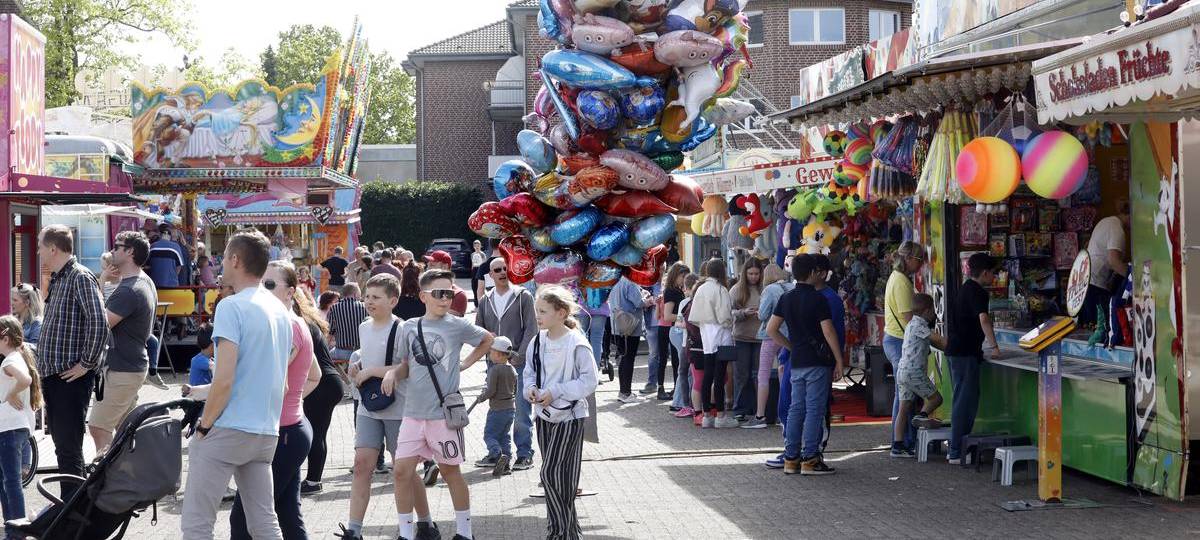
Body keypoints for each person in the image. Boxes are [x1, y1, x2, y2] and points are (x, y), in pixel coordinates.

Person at [180, 229, 293, 539]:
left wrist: (203, 426)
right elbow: (281, 380)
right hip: (265, 428)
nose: (219, 265)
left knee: (197, 524)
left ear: (235, 259)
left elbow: (224, 378)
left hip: (229, 427)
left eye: (224, 258)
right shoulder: (280, 311)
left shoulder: (232, 306)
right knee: (265, 522)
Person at [383, 268, 493, 540]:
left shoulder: (457, 325)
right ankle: (406, 534)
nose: (446, 299)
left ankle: (464, 533)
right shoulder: (408, 327)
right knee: (401, 471)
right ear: (423, 296)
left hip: (443, 415)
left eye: (450, 293)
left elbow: (487, 339)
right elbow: (405, 364)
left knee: (449, 472)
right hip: (412, 413)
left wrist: (466, 363)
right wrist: (392, 373)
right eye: (439, 293)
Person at [228, 261, 322, 539]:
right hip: (289, 430)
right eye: (260, 284)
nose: (263, 290)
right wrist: (292, 401)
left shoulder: (288, 326)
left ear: (290, 292)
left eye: (269, 285)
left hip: (283, 435)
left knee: (244, 518)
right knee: (287, 514)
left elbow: (269, 378)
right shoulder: (291, 323)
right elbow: (314, 375)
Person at [336, 274, 435, 540]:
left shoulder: (403, 328)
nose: (369, 301)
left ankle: (425, 523)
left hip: (399, 407)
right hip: (369, 406)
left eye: (375, 297)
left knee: (403, 470)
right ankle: (354, 531)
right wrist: (357, 366)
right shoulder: (363, 327)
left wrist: (371, 371)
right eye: (367, 296)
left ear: (393, 300)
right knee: (361, 465)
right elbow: (364, 357)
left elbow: (409, 368)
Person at [35, 225, 108, 498]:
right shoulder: (61, 277)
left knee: (69, 449)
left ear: (53, 248)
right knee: (64, 448)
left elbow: (99, 325)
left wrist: (86, 364)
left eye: (41, 246)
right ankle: (71, 513)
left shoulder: (79, 277)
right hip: (58, 377)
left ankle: (73, 515)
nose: (39, 251)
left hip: (69, 379)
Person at [523, 285, 598, 540]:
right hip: (544, 417)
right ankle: (570, 533)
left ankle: (558, 533)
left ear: (561, 312)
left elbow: (589, 382)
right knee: (561, 481)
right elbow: (529, 373)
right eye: (537, 310)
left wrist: (555, 391)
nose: (538, 315)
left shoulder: (577, 342)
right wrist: (531, 389)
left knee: (550, 473)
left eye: (543, 311)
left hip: (571, 417)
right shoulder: (537, 341)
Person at [766, 255, 845, 475]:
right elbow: (828, 331)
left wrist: (790, 346)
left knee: (795, 409)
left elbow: (772, 329)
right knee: (814, 410)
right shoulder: (819, 299)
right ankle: (810, 458)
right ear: (812, 273)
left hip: (797, 360)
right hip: (817, 362)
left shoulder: (786, 298)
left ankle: (791, 458)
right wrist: (839, 359)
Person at [88, 231, 157, 453]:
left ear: (130, 252)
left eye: (117, 246)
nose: (112, 250)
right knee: (126, 429)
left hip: (122, 369)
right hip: (129, 367)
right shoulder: (143, 281)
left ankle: (109, 481)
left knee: (99, 427)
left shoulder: (129, 290)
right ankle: (134, 478)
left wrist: (100, 282)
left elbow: (99, 324)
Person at [474, 256, 538, 472]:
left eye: (505, 268)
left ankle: (524, 453)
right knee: (497, 409)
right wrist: (485, 337)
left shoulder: (523, 296)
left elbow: (532, 328)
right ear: (490, 275)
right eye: (497, 270)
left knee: (520, 410)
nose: (502, 272)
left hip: (517, 364)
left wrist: (519, 355)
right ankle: (499, 453)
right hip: (493, 364)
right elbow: (478, 330)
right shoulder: (485, 300)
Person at [945, 253, 999, 465]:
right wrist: (994, 346)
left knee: (963, 400)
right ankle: (957, 450)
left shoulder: (965, 288)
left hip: (958, 351)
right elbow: (984, 319)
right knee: (964, 402)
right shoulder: (977, 292)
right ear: (985, 273)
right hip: (964, 353)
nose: (994, 277)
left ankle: (959, 447)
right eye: (993, 273)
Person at [300, 287, 348, 496]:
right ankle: (313, 479)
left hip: (321, 383)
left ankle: (313, 481)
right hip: (330, 382)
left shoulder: (299, 325)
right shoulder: (312, 323)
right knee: (319, 433)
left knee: (316, 433)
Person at [893, 293, 948, 458]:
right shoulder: (920, 325)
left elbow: (933, 343)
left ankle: (897, 445)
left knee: (903, 409)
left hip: (902, 372)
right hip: (913, 372)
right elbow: (938, 340)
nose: (935, 314)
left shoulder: (911, 324)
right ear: (927, 310)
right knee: (936, 399)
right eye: (933, 310)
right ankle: (921, 416)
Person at [0, 315, 40, 539]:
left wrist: (11, 393)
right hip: (13, 428)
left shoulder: (10, 360)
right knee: (6, 481)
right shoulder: (16, 357)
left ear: (4, 337)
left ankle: (17, 531)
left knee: (11, 481)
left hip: (9, 429)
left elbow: (25, 379)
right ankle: (13, 527)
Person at [883, 241, 924, 452]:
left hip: (896, 339)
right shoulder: (900, 281)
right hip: (899, 341)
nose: (921, 264)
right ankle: (900, 442)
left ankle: (903, 441)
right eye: (920, 260)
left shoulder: (899, 279)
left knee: (905, 394)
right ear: (908, 259)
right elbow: (909, 318)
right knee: (905, 395)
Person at [690, 259, 737, 428]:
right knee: (719, 376)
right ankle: (721, 415)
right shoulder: (721, 289)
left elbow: (694, 316)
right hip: (721, 335)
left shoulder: (701, 289)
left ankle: (707, 415)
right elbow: (725, 316)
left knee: (707, 376)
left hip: (706, 336)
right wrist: (732, 319)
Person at [747, 263, 791, 430]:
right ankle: (783, 415)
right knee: (784, 373)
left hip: (770, 335)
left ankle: (760, 416)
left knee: (763, 375)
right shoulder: (791, 286)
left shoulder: (770, 290)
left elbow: (763, 314)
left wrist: (758, 312)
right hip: (789, 336)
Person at [474, 336, 518, 476]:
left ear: (498, 354)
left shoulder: (495, 370)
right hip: (510, 408)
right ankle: (506, 461)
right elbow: (515, 390)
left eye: (491, 352)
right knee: (505, 436)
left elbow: (491, 390)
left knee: (490, 435)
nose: (489, 355)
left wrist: (482, 397)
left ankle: (497, 454)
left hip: (497, 409)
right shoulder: (512, 370)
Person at [1080, 203, 1130, 327]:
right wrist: (1133, 277)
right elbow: (1114, 262)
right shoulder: (1116, 228)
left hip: (1086, 281)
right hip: (1095, 285)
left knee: (1090, 325)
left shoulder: (1106, 221)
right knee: (1100, 327)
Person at [730, 259, 763, 422]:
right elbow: (729, 313)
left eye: (756, 274)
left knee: (758, 374)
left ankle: (759, 407)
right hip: (741, 337)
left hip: (759, 338)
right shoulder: (736, 290)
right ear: (745, 273)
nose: (754, 277)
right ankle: (741, 408)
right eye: (750, 273)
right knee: (741, 374)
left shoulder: (764, 289)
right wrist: (743, 312)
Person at [608, 275, 650, 404]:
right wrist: (647, 300)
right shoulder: (630, 281)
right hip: (630, 326)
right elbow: (638, 302)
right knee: (628, 359)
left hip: (618, 324)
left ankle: (623, 391)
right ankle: (626, 392)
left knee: (623, 357)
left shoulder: (615, 279)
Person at [671, 273, 701, 418]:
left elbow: (678, 323)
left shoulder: (686, 303)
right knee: (690, 374)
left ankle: (688, 405)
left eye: (685, 288)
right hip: (694, 343)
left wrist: (685, 325)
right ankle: (692, 405)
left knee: (685, 373)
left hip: (687, 344)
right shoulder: (686, 303)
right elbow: (678, 322)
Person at [658, 263, 688, 404]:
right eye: (682, 276)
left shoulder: (679, 291)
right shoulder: (671, 291)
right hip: (675, 330)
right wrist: (685, 317)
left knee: (679, 363)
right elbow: (667, 315)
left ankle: (679, 394)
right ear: (675, 276)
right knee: (677, 363)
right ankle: (678, 397)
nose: (684, 279)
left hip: (680, 329)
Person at [328, 283, 368, 364]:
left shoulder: (334, 308)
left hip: (341, 352)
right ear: (355, 294)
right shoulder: (365, 307)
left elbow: (330, 332)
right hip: (361, 353)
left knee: (326, 357)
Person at [425, 251, 469, 317]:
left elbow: (446, 324)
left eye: (432, 265)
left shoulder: (458, 295)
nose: (428, 269)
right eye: (428, 265)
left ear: (445, 267)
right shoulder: (424, 291)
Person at [470, 240, 486, 306]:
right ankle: (476, 304)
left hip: (480, 269)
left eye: (478, 245)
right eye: (475, 246)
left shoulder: (482, 254)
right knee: (474, 287)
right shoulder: (472, 254)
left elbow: (484, 263)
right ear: (474, 247)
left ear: (480, 246)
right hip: (474, 270)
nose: (477, 247)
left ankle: (481, 303)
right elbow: (472, 264)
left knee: (480, 287)